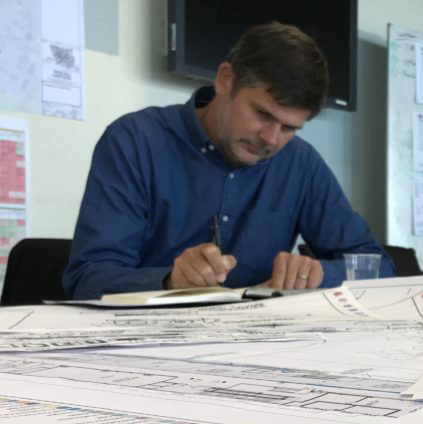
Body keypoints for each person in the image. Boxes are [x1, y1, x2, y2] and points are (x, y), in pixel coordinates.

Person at [64, 22, 394, 300]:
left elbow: (380, 266)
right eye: (262, 114)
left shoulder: (300, 163)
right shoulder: (135, 141)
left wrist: (321, 271)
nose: (271, 139)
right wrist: (170, 280)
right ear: (225, 80)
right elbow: (88, 279)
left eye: (290, 128)